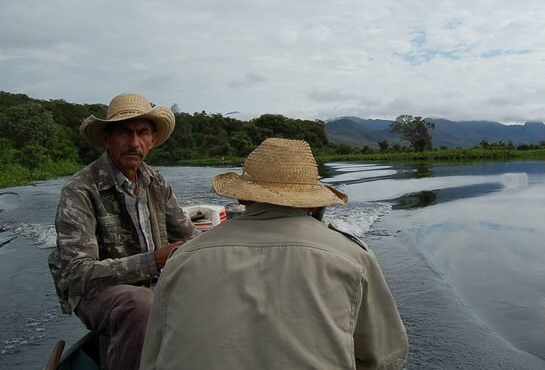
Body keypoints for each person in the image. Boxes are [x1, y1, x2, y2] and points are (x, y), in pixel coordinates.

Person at [141, 138, 409, 370]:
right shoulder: (354, 259)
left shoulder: (182, 259)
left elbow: (152, 360)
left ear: (243, 198)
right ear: (314, 200)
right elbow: (385, 359)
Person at [48, 93, 198, 370]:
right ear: (107, 139)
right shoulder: (80, 190)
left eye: (142, 133)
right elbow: (78, 273)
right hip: (94, 291)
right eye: (124, 133)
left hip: (151, 286)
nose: (134, 143)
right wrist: (153, 261)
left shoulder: (156, 183)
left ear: (152, 140)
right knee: (140, 304)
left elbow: (190, 237)